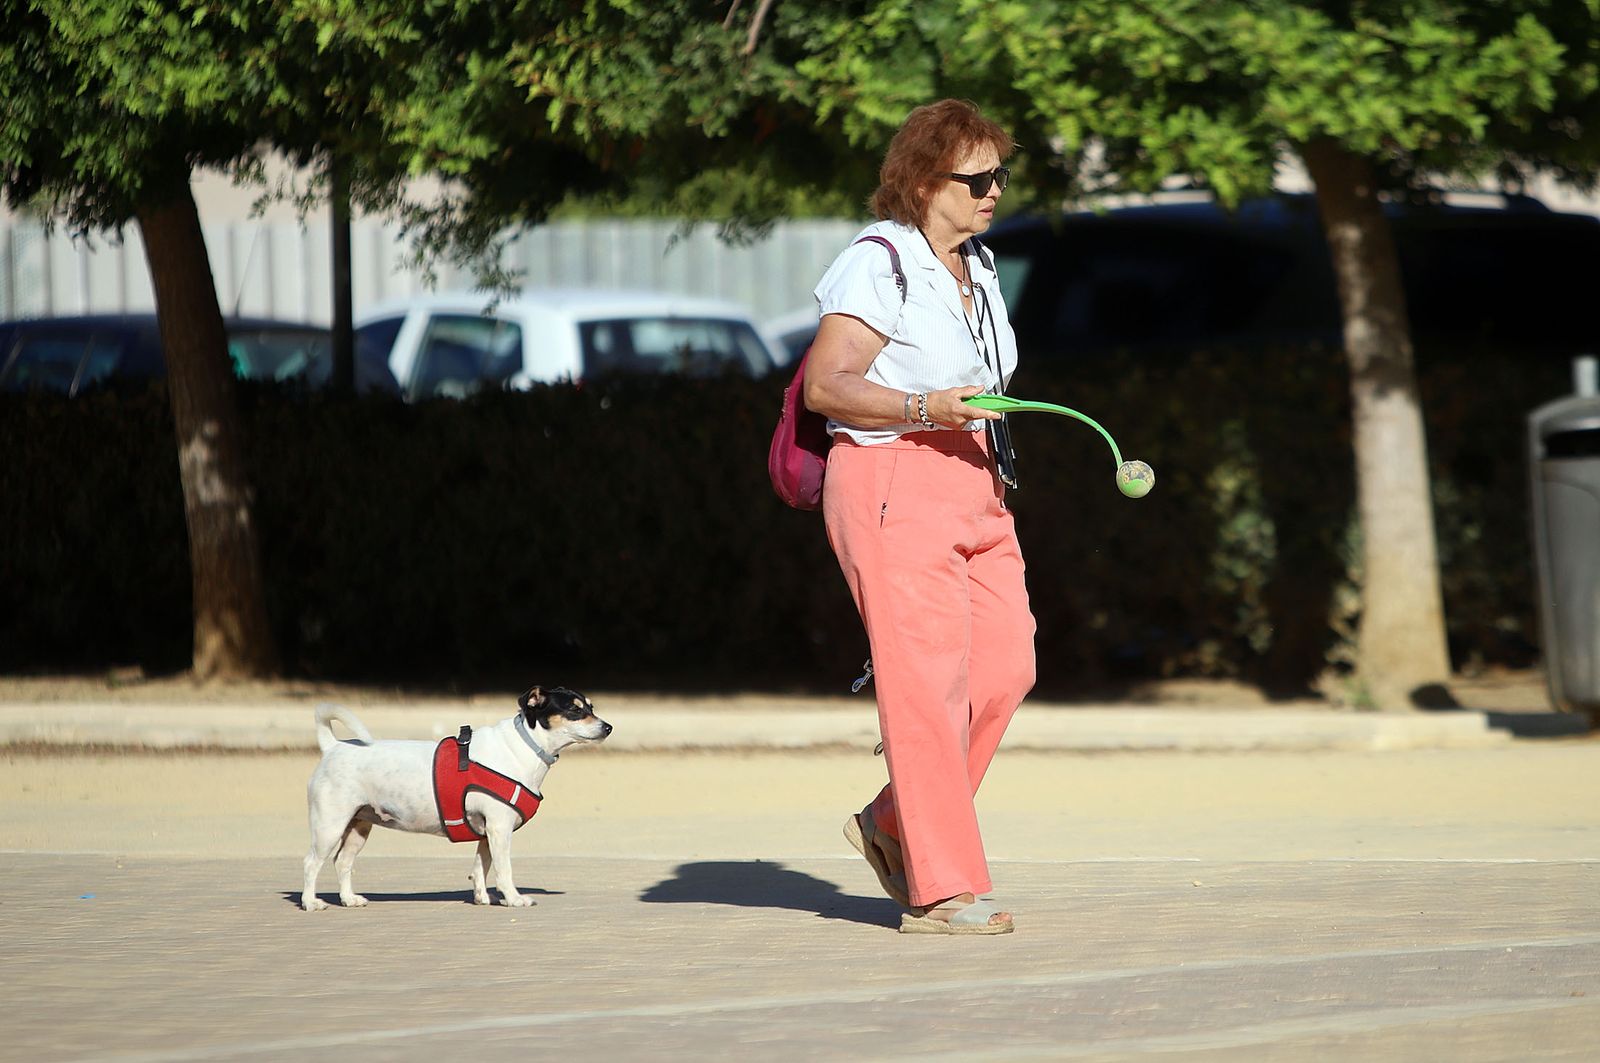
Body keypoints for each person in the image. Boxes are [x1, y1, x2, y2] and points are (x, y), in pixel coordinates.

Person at [803, 99, 1036, 935]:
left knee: (1007, 668)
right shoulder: (880, 261)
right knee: (926, 687)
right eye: (977, 178)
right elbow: (828, 382)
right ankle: (940, 890)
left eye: (1000, 174)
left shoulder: (982, 266)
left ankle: (892, 822)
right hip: (892, 480)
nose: (994, 190)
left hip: (978, 487)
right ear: (923, 180)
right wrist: (923, 403)